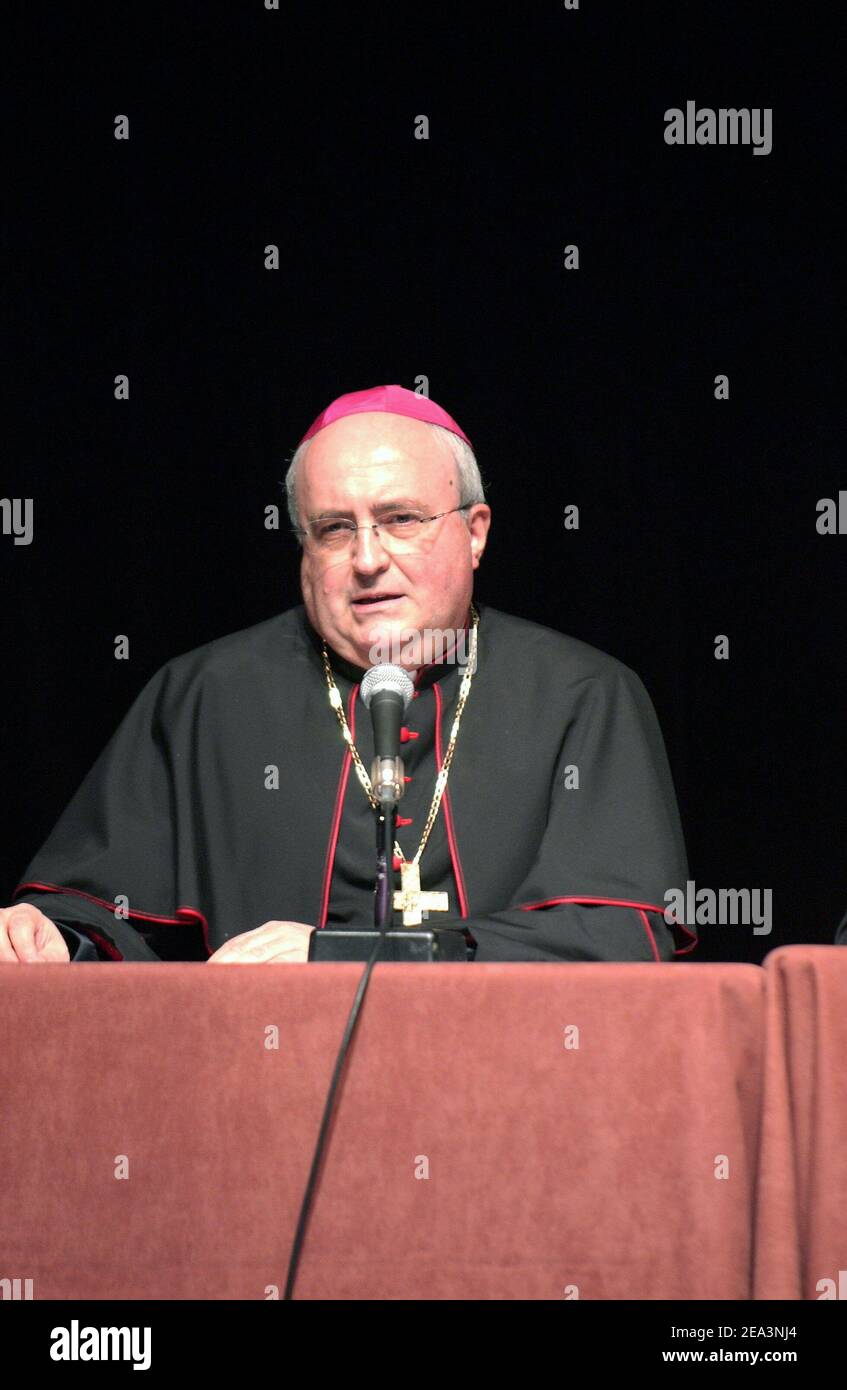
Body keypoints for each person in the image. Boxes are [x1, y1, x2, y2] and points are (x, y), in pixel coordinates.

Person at [1, 384, 695, 965]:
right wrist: (51, 936)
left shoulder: (582, 695)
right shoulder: (206, 696)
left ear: (475, 530)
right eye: (335, 528)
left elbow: (615, 939)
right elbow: (104, 912)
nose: (367, 559)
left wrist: (344, 954)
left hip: (507, 1095)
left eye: (400, 519)